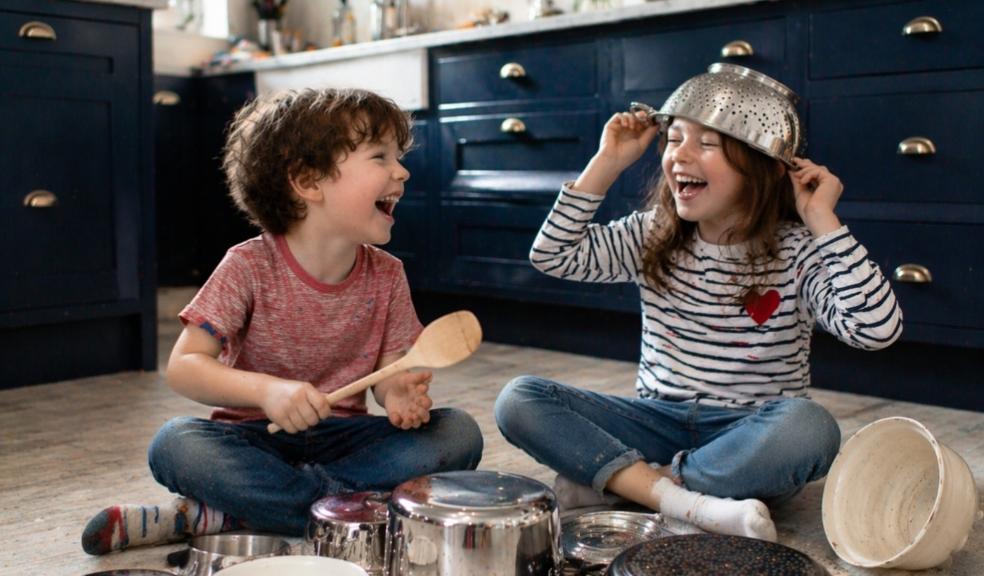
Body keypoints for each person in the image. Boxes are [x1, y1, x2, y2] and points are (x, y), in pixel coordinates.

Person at [494, 65, 902, 542]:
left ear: (765, 168)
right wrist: (608, 161)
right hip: (652, 420)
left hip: (749, 432)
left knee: (810, 429)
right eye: (674, 138)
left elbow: (876, 329)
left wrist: (822, 219)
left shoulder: (802, 249)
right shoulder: (650, 234)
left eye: (707, 144)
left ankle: (634, 486)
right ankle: (686, 501)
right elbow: (553, 255)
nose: (679, 155)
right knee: (518, 399)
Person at [81, 88, 484, 555]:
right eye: (380, 156)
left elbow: (393, 373)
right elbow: (185, 364)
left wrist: (400, 397)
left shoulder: (389, 275)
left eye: (398, 156)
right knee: (174, 442)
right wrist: (268, 392)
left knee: (457, 433)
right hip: (254, 438)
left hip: (345, 439)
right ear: (309, 181)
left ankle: (224, 515)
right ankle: (348, 510)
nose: (402, 171)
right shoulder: (248, 266)